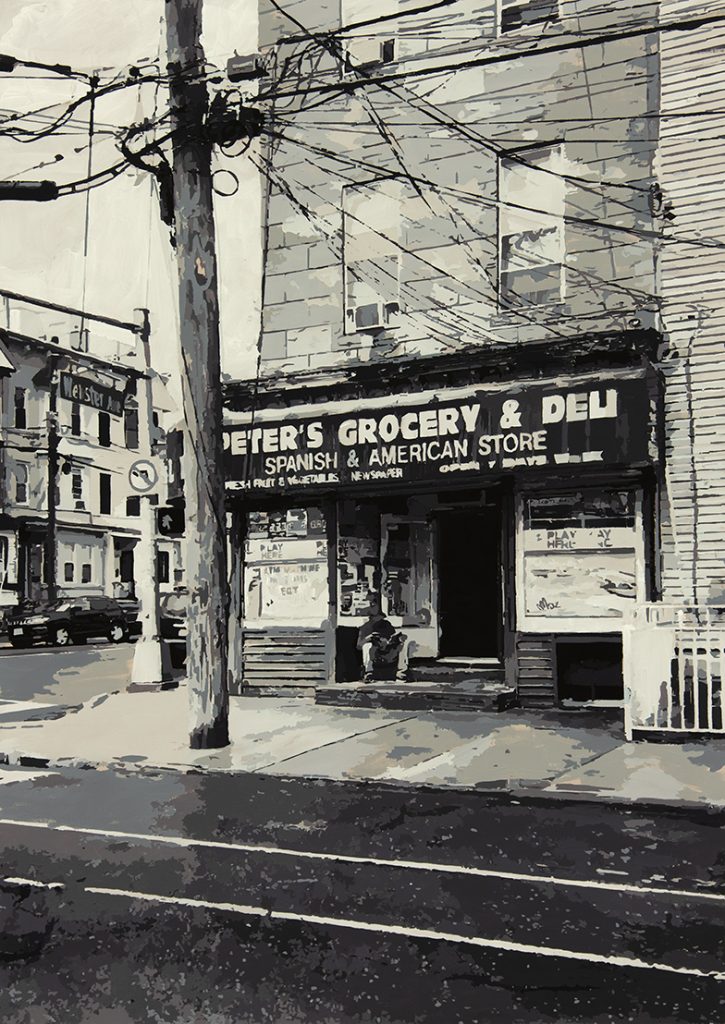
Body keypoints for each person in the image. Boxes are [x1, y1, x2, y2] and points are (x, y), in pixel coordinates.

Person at [357, 600, 410, 683]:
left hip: (390, 653)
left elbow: (395, 635)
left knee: (402, 645)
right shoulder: (365, 628)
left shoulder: (387, 624)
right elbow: (359, 646)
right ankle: (369, 672)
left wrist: (394, 640)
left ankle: (401, 672)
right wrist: (369, 638)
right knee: (367, 646)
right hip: (377, 655)